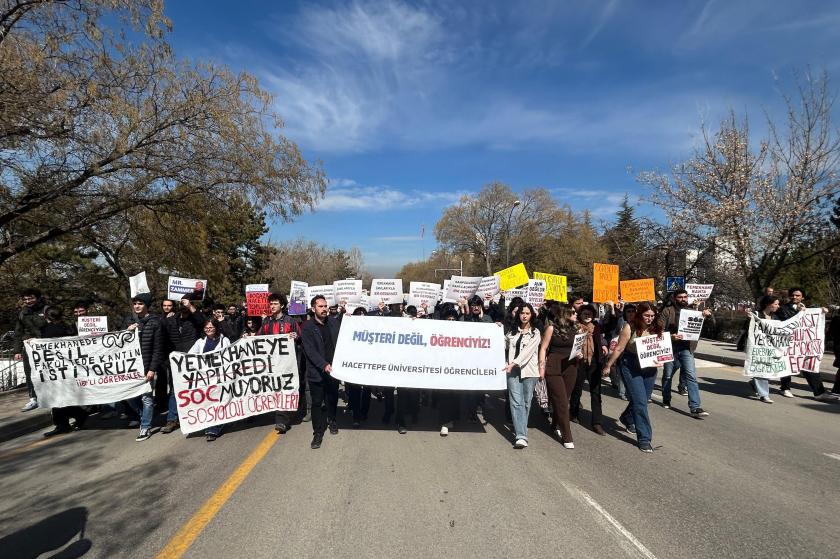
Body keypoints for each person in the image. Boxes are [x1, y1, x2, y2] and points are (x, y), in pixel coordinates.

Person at [602, 302, 662, 453]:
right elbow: (620, 348)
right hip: (631, 365)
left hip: (649, 367)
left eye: (652, 316)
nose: (650, 319)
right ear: (639, 314)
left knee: (642, 399)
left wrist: (662, 356)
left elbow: (661, 346)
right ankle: (644, 439)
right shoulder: (630, 327)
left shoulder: (657, 327)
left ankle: (627, 418)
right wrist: (609, 365)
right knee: (641, 402)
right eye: (646, 315)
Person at [659, 289, 714, 417]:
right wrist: (671, 336)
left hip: (686, 349)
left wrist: (708, 316)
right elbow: (658, 330)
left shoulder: (694, 312)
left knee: (691, 376)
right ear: (674, 298)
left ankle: (695, 407)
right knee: (667, 375)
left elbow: (710, 326)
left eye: (685, 297)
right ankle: (666, 398)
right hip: (671, 348)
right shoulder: (667, 311)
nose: (683, 299)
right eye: (680, 297)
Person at [775, 288, 836, 401]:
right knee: (788, 364)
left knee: (810, 366)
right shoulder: (782, 310)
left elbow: (816, 317)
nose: (794, 297)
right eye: (792, 295)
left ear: (802, 297)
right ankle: (785, 388)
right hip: (790, 343)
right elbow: (783, 324)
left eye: (797, 295)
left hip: (805, 345)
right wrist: (800, 313)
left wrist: (821, 311)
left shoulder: (809, 309)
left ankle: (819, 393)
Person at [257, 293, 303, 433]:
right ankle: (282, 417)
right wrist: (247, 338)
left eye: (275, 303)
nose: (272, 306)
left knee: (286, 388)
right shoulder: (266, 322)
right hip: (273, 363)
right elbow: (258, 340)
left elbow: (301, 338)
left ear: (282, 305)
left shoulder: (291, 321)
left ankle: (282, 420)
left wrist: (296, 337)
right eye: (270, 304)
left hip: (289, 362)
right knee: (277, 388)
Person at [42, 307, 90, 437]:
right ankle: (75, 416)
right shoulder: (68, 328)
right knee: (62, 397)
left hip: (56, 369)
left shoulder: (49, 330)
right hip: (68, 368)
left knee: (56, 398)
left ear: (47, 317)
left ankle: (64, 423)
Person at [161, 296, 206, 434]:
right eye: (181, 303)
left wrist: (191, 307)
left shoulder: (195, 319)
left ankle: (200, 416)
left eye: (185, 304)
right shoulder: (170, 320)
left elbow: (204, 322)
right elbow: (160, 333)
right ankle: (172, 419)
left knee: (196, 388)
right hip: (175, 363)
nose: (183, 306)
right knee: (175, 390)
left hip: (193, 361)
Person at [301, 295, 341, 449]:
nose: (324, 309)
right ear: (313, 309)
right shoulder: (307, 327)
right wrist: (323, 365)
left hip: (333, 371)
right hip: (317, 372)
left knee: (332, 398)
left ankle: (332, 421)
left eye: (325, 306)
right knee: (317, 403)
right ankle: (318, 432)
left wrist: (350, 319)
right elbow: (310, 351)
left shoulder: (334, 322)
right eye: (321, 306)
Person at [123, 293, 164, 442]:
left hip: (147, 367)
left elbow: (158, 348)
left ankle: (145, 427)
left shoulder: (155, 322)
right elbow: (120, 345)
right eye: (135, 304)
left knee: (147, 399)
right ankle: (144, 416)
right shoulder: (129, 321)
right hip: (131, 368)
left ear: (146, 305)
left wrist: (152, 369)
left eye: (140, 303)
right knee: (129, 397)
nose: (137, 306)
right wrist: (127, 332)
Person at [538, 303, 579, 449]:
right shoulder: (551, 328)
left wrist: (579, 354)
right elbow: (543, 348)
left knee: (563, 399)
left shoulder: (576, 329)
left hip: (571, 367)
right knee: (562, 402)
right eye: (573, 312)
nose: (576, 314)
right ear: (564, 314)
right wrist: (541, 368)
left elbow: (577, 348)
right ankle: (567, 436)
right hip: (554, 367)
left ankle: (555, 423)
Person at [505, 303, 541, 448]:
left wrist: (514, 362)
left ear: (531, 315)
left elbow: (527, 353)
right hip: (512, 371)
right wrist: (494, 330)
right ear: (517, 315)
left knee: (526, 402)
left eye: (527, 313)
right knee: (515, 402)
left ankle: (520, 428)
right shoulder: (512, 332)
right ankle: (521, 436)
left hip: (530, 372)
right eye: (522, 313)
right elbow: (502, 344)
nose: (524, 316)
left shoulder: (536, 332)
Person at [188, 319, 231, 441]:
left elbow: (230, 356)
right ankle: (211, 424)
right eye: (206, 327)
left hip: (221, 377)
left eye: (211, 327)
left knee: (219, 401)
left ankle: (214, 427)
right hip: (206, 378)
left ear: (216, 327)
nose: (208, 329)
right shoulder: (200, 342)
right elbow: (190, 355)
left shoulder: (224, 340)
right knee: (209, 402)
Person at [569, 304, 608, 435]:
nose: (587, 316)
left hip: (594, 363)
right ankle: (573, 413)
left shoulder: (596, 327)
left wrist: (603, 345)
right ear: (580, 315)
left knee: (596, 393)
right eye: (585, 314)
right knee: (576, 390)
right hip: (579, 362)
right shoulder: (574, 326)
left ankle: (597, 423)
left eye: (590, 314)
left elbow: (602, 337)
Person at [14, 287, 47, 412]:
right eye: (25, 299)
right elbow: (18, 332)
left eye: (31, 298)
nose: (28, 301)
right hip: (29, 348)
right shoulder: (22, 313)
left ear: (37, 298)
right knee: (29, 373)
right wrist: (17, 350)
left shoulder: (47, 309)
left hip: (45, 347)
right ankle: (33, 399)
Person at [748, 295, 781, 403]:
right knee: (761, 370)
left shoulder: (775, 317)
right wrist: (749, 318)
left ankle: (755, 383)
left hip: (770, 348)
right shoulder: (757, 314)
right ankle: (764, 395)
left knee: (767, 370)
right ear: (768, 304)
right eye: (775, 304)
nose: (778, 306)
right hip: (757, 348)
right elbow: (748, 329)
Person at [437, 307, 462, 436]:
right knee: (445, 395)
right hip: (443, 368)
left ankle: (451, 419)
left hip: (457, 368)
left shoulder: (461, 332)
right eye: (449, 319)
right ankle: (444, 423)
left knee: (455, 395)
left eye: (453, 319)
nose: (451, 321)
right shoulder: (439, 331)